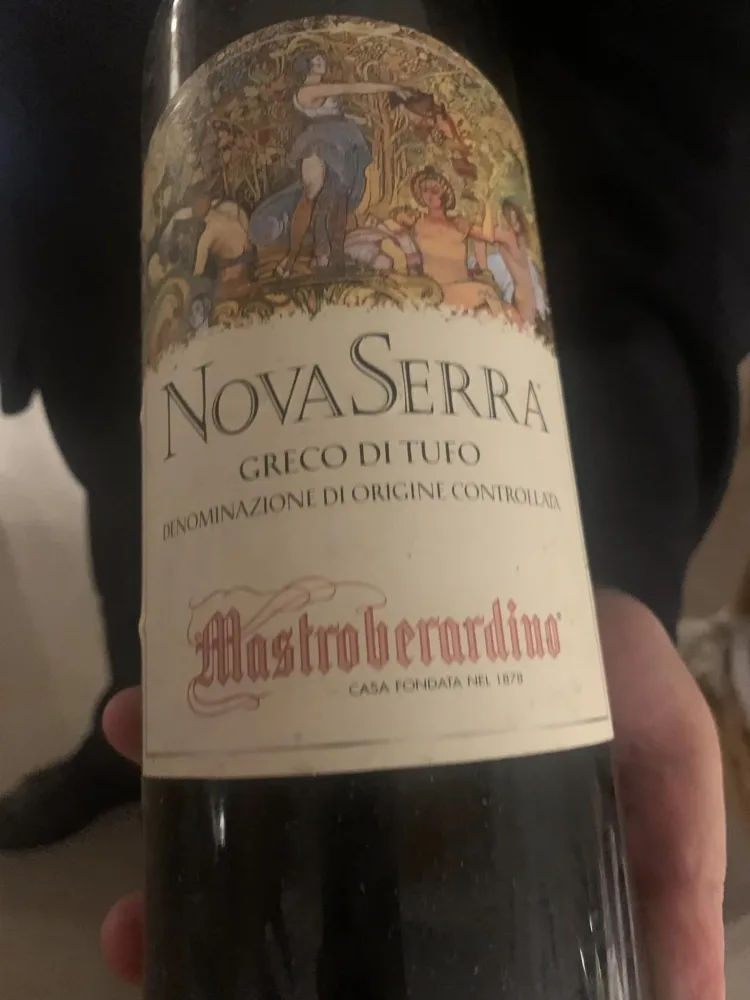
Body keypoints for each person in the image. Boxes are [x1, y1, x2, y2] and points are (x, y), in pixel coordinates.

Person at [1, 2, 749, 997]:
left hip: (464, 479)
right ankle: (115, 749)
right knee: (143, 583)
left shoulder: (348, 154)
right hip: (122, 327)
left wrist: (600, 568)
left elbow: (665, 95)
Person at [248, 51, 411, 273]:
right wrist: (390, 87)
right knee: (311, 196)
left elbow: (328, 114)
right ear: (306, 66)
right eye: (316, 60)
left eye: (321, 59)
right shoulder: (308, 90)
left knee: (336, 199)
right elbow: (350, 89)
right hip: (319, 143)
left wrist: (354, 119)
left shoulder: (318, 89)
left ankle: (332, 256)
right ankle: (292, 258)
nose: (321, 62)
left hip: (340, 143)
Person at [410, 166, 519, 321]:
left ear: (445, 194)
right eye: (424, 190)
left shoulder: (458, 224)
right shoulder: (417, 222)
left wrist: (487, 203)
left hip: (463, 289)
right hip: (437, 291)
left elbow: (488, 236)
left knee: (511, 313)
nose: (429, 195)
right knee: (487, 293)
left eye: (434, 190)